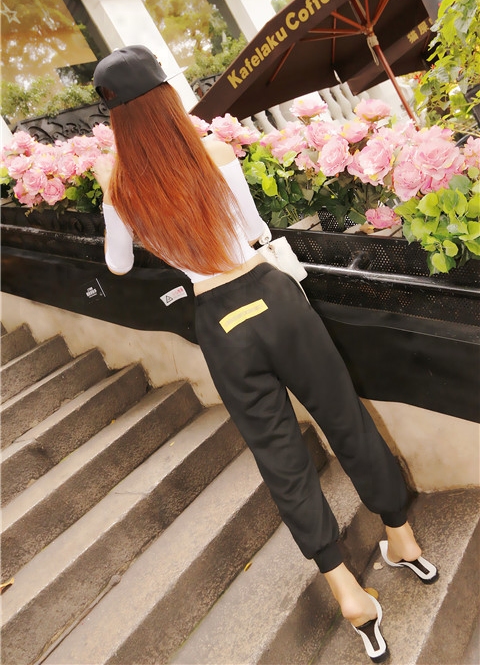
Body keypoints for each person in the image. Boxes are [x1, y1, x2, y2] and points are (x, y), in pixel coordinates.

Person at [93, 45, 438, 663]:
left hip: (219, 321)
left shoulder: (119, 184)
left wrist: (116, 194)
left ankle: (347, 592)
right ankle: (402, 538)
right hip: (273, 298)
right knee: (345, 419)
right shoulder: (217, 153)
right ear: (167, 95)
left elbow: (117, 265)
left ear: (115, 116)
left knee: (281, 458)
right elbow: (253, 229)